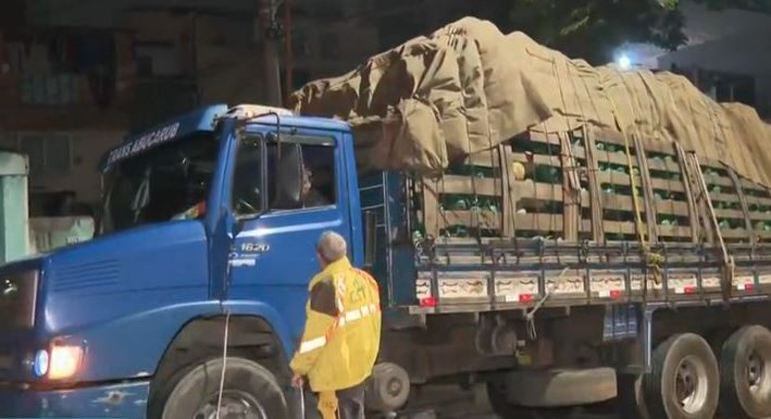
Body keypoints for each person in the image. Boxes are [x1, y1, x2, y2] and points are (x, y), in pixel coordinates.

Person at [290, 231, 381, 419]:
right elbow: (374, 324)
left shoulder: (328, 286)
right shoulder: (365, 280)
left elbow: (315, 339)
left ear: (319, 256)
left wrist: (299, 369)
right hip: (360, 368)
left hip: (336, 376)